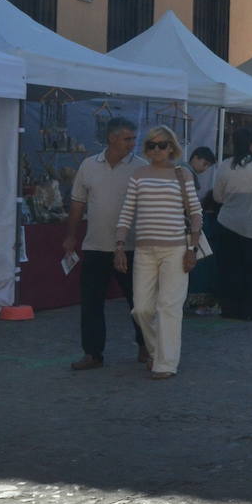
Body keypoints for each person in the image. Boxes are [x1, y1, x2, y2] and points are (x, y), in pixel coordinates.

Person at [113, 125, 202, 380]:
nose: (156, 149)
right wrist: (119, 245)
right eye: (151, 145)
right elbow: (127, 212)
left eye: (162, 145)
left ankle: (166, 363)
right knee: (141, 309)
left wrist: (192, 248)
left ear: (172, 147)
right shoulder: (138, 175)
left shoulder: (181, 174)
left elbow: (195, 213)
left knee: (169, 307)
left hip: (175, 250)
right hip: (144, 250)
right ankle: (156, 351)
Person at [63, 116, 148, 371]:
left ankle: (145, 345)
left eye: (134, 138)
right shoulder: (89, 166)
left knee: (139, 302)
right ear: (112, 138)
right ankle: (93, 353)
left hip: (131, 248)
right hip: (95, 246)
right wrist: (71, 235)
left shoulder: (141, 168)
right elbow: (77, 204)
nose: (132, 144)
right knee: (91, 302)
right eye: (127, 139)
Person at [212, 127, 252, 321]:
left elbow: (217, 196)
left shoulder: (224, 165)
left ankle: (231, 308)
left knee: (230, 269)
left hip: (228, 221)